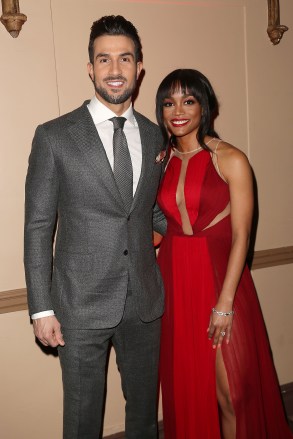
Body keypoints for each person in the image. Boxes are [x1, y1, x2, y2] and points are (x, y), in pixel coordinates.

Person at [24, 15, 166, 439]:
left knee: (144, 418)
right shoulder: (54, 136)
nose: (115, 69)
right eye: (104, 59)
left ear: (139, 66)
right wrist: (41, 307)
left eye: (125, 59)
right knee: (83, 422)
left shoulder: (157, 137)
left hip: (144, 302)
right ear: (90, 68)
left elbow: (151, 213)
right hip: (79, 306)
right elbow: (37, 225)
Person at [155, 68, 292, 439]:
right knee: (188, 389)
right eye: (169, 102)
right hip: (175, 281)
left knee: (233, 392)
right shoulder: (160, 162)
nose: (178, 110)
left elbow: (242, 234)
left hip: (221, 280)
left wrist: (225, 302)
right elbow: (154, 224)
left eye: (188, 100)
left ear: (206, 106)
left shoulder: (230, 159)